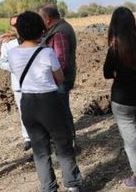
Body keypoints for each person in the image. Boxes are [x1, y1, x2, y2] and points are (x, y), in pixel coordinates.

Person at [8, 11, 83, 192]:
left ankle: (48, 188)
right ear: (40, 29)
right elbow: (59, 78)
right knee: (63, 144)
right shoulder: (47, 53)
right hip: (49, 102)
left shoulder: (12, 54)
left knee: (40, 150)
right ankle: (72, 185)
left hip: (27, 103)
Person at [103, 7, 136, 189]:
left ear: (114, 25)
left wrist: (118, 72)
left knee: (131, 140)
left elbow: (107, 73)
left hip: (122, 98)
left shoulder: (114, 47)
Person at [38, 4, 77, 146]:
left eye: (40, 17)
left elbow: (61, 61)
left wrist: (47, 75)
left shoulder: (59, 32)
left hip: (60, 80)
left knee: (63, 111)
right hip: (58, 79)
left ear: (47, 19)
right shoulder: (55, 29)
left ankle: (69, 143)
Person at [0, 15, 31, 151]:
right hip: (18, 84)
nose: (16, 27)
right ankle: (27, 138)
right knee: (23, 111)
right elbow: (2, 63)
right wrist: (15, 66)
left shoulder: (34, 39)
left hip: (34, 83)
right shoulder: (8, 44)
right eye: (14, 25)